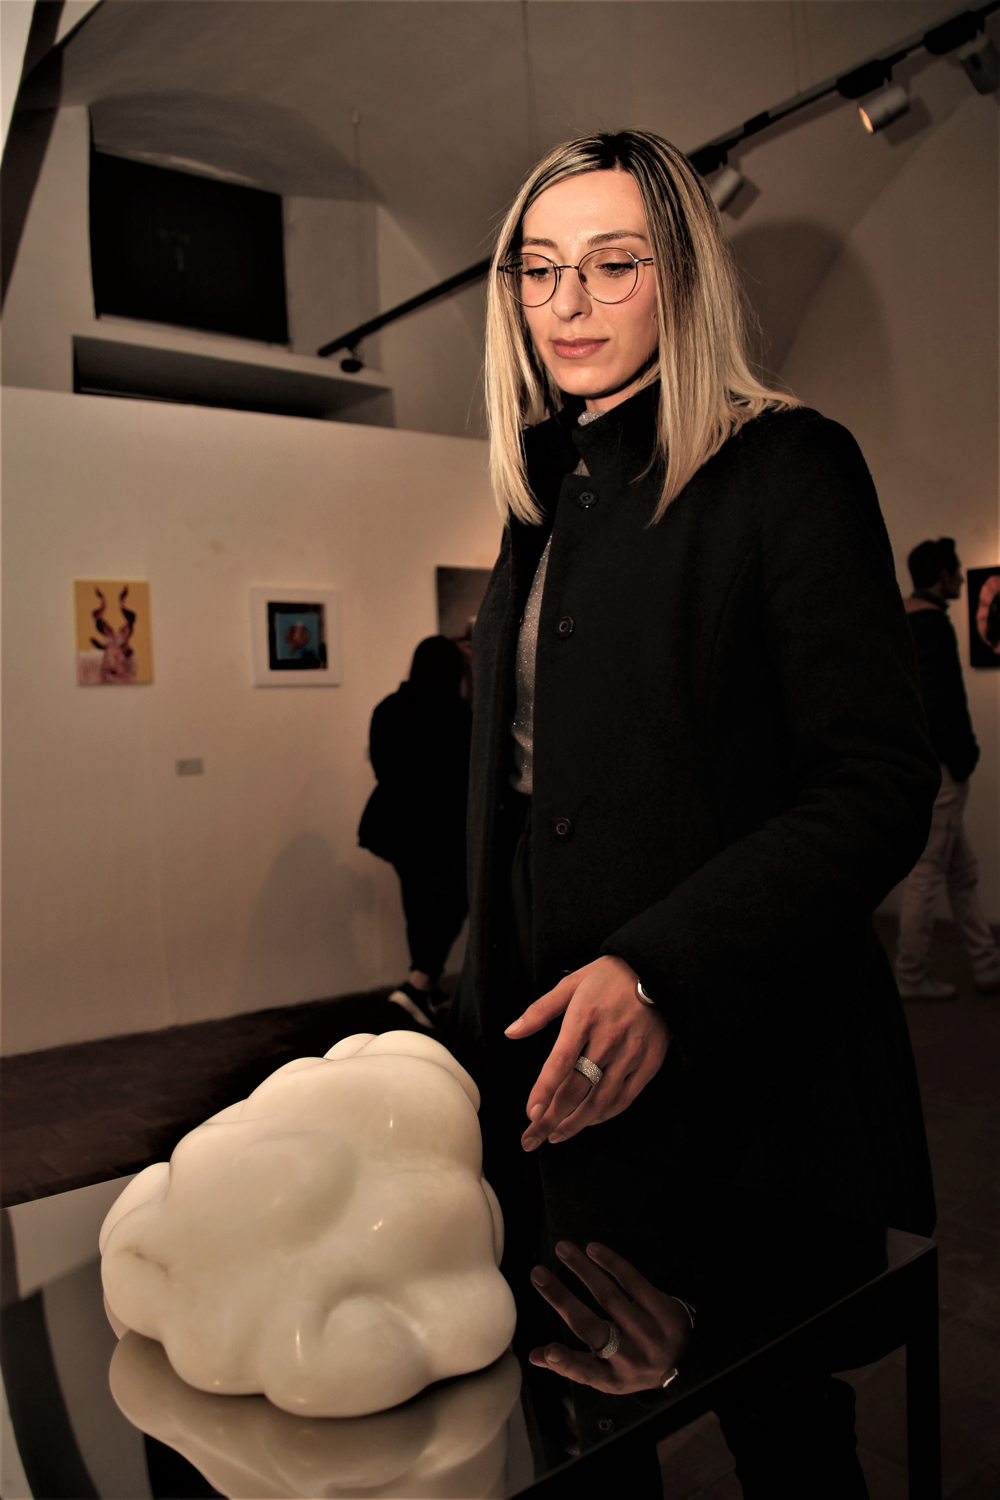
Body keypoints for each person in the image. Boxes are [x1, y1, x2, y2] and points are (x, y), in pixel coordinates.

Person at [446, 131, 939, 1498]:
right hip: (560, 1086)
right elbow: (531, 798)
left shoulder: (787, 466)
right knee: (585, 1429)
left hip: (747, 1067)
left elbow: (875, 785)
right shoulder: (540, 492)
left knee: (785, 1431)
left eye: (613, 265)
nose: (568, 303)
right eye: (538, 269)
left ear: (683, 276)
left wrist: (660, 970)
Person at [895, 539, 1000, 998]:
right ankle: (910, 974)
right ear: (942, 576)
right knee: (928, 873)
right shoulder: (931, 624)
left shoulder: (907, 620)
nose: (960, 578)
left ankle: (987, 963)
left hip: (931, 766)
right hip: (942, 770)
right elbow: (941, 704)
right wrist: (962, 757)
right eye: (956, 571)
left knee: (962, 871)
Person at [358, 636, 472, 1028]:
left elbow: (381, 766)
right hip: (440, 826)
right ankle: (419, 982)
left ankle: (423, 984)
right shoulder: (457, 714)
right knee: (452, 902)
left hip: (396, 824)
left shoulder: (388, 708)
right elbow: (462, 778)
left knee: (419, 903)